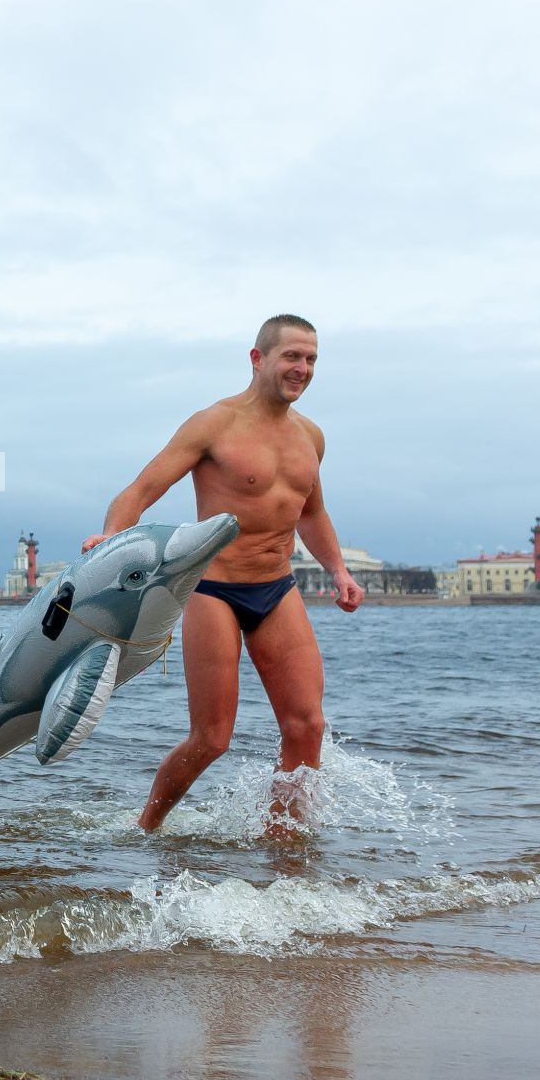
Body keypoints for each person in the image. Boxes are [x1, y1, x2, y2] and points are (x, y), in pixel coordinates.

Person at [81, 314, 363, 835]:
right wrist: (110, 539)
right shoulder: (214, 424)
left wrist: (339, 570)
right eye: (292, 357)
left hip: (278, 589)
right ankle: (146, 828)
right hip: (214, 589)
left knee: (307, 727)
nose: (302, 368)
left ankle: (286, 848)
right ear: (258, 359)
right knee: (211, 738)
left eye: (311, 359)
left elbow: (311, 511)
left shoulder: (311, 437)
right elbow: (140, 490)